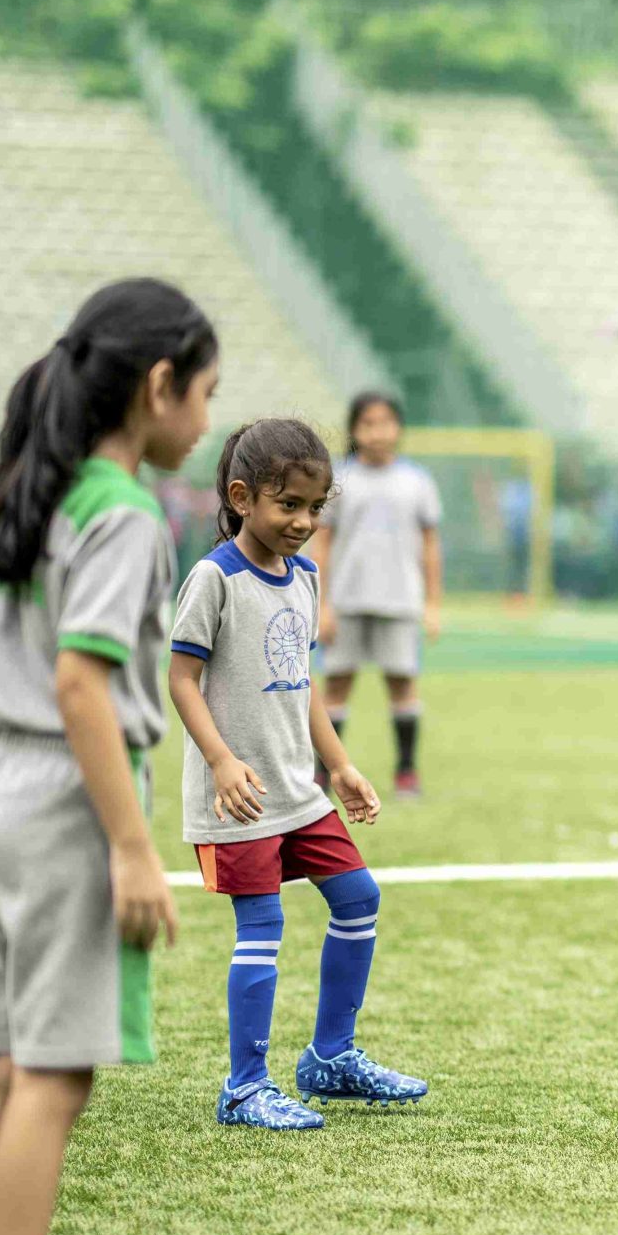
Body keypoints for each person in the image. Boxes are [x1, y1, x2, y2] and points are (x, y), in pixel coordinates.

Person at [0, 279, 218, 1235]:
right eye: (204, 394)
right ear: (157, 389)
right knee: (52, 1078)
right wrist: (132, 846)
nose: (205, 418)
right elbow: (82, 686)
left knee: (7, 1073)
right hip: (62, 799)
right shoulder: (122, 512)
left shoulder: (32, 494)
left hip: (1, 790)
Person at [169, 419, 426, 1131]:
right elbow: (181, 679)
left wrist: (338, 765)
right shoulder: (213, 578)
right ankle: (245, 1087)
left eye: (315, 508)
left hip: (299, 790)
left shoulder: (307, 578)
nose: (304, 522)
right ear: (242, 497)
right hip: (241, 799)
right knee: (263, 923)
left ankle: (329, 1058)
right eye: (289, 505)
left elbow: (302, 681)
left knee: (359, 897)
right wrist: (221, 760)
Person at [312, 391, 442, 799]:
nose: (377, 432)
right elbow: (322, 544)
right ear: (354, 429)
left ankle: (406, 771)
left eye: (385, 422)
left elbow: (430, 545)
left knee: (403, 685)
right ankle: (324, 776)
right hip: (347, 602)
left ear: (399, 428)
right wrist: (322, 603)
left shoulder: (417, 482)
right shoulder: (337, 479)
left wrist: (433, 603)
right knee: (335, 686)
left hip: (400, 601)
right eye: (367, 423)